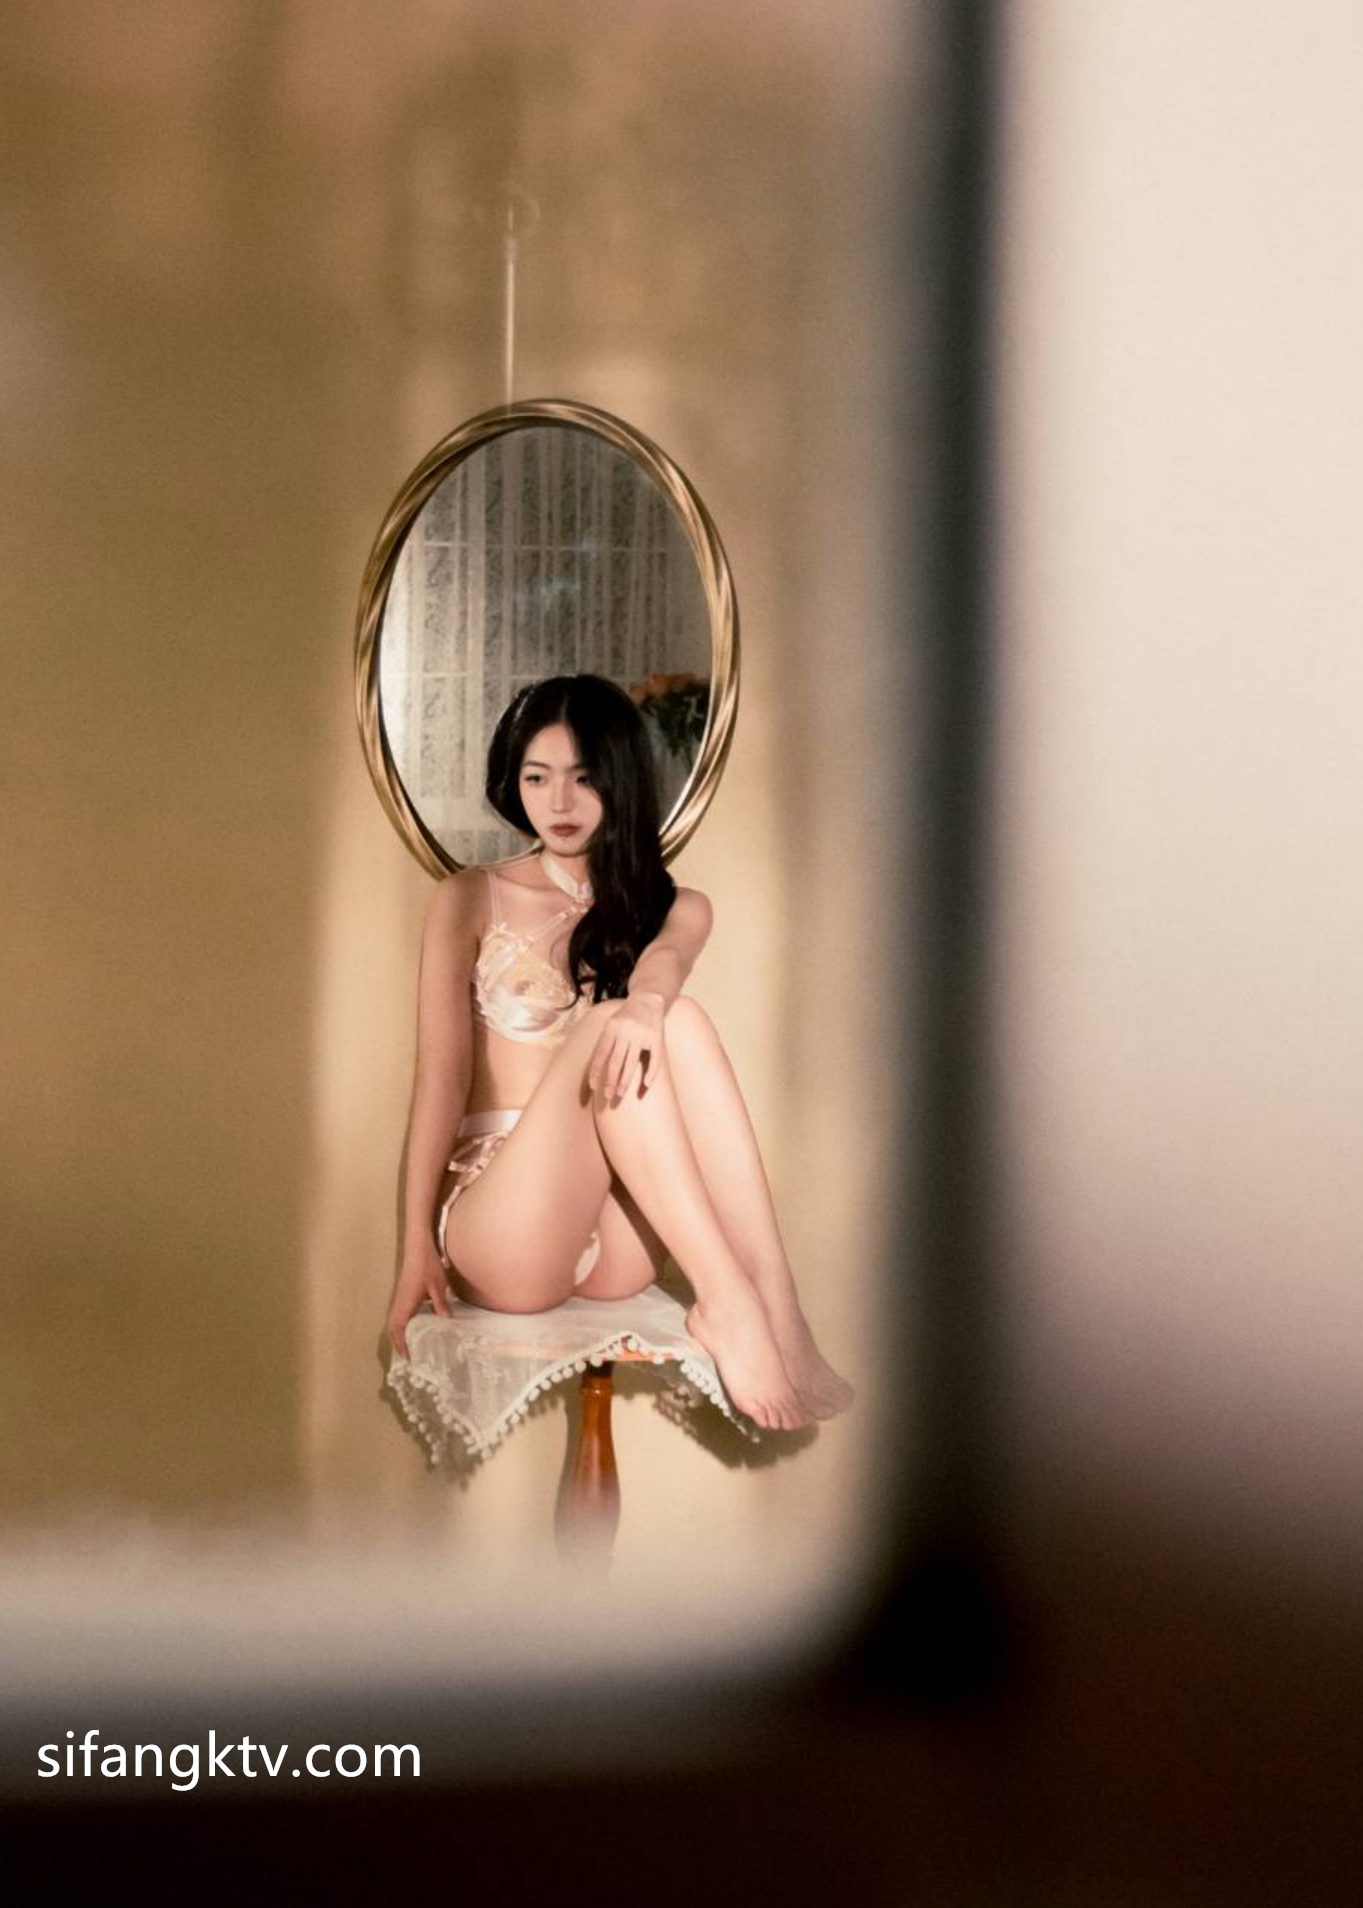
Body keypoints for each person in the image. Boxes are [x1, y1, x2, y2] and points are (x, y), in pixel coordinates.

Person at [386, 673, 853, 1432]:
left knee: (677, 1017)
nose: (559, 802)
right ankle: (730, 1300)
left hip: (614, 1241)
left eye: (584, 778)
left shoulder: (674, 906)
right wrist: (415, 1244)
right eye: (537, 778)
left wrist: (645, 1005)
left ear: (620, 781)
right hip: (503, 1227)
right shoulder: (469, 897)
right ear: (514, 783)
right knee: (618, 1022)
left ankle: (774, 1296)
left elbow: (666, 963)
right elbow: (440, 1079)